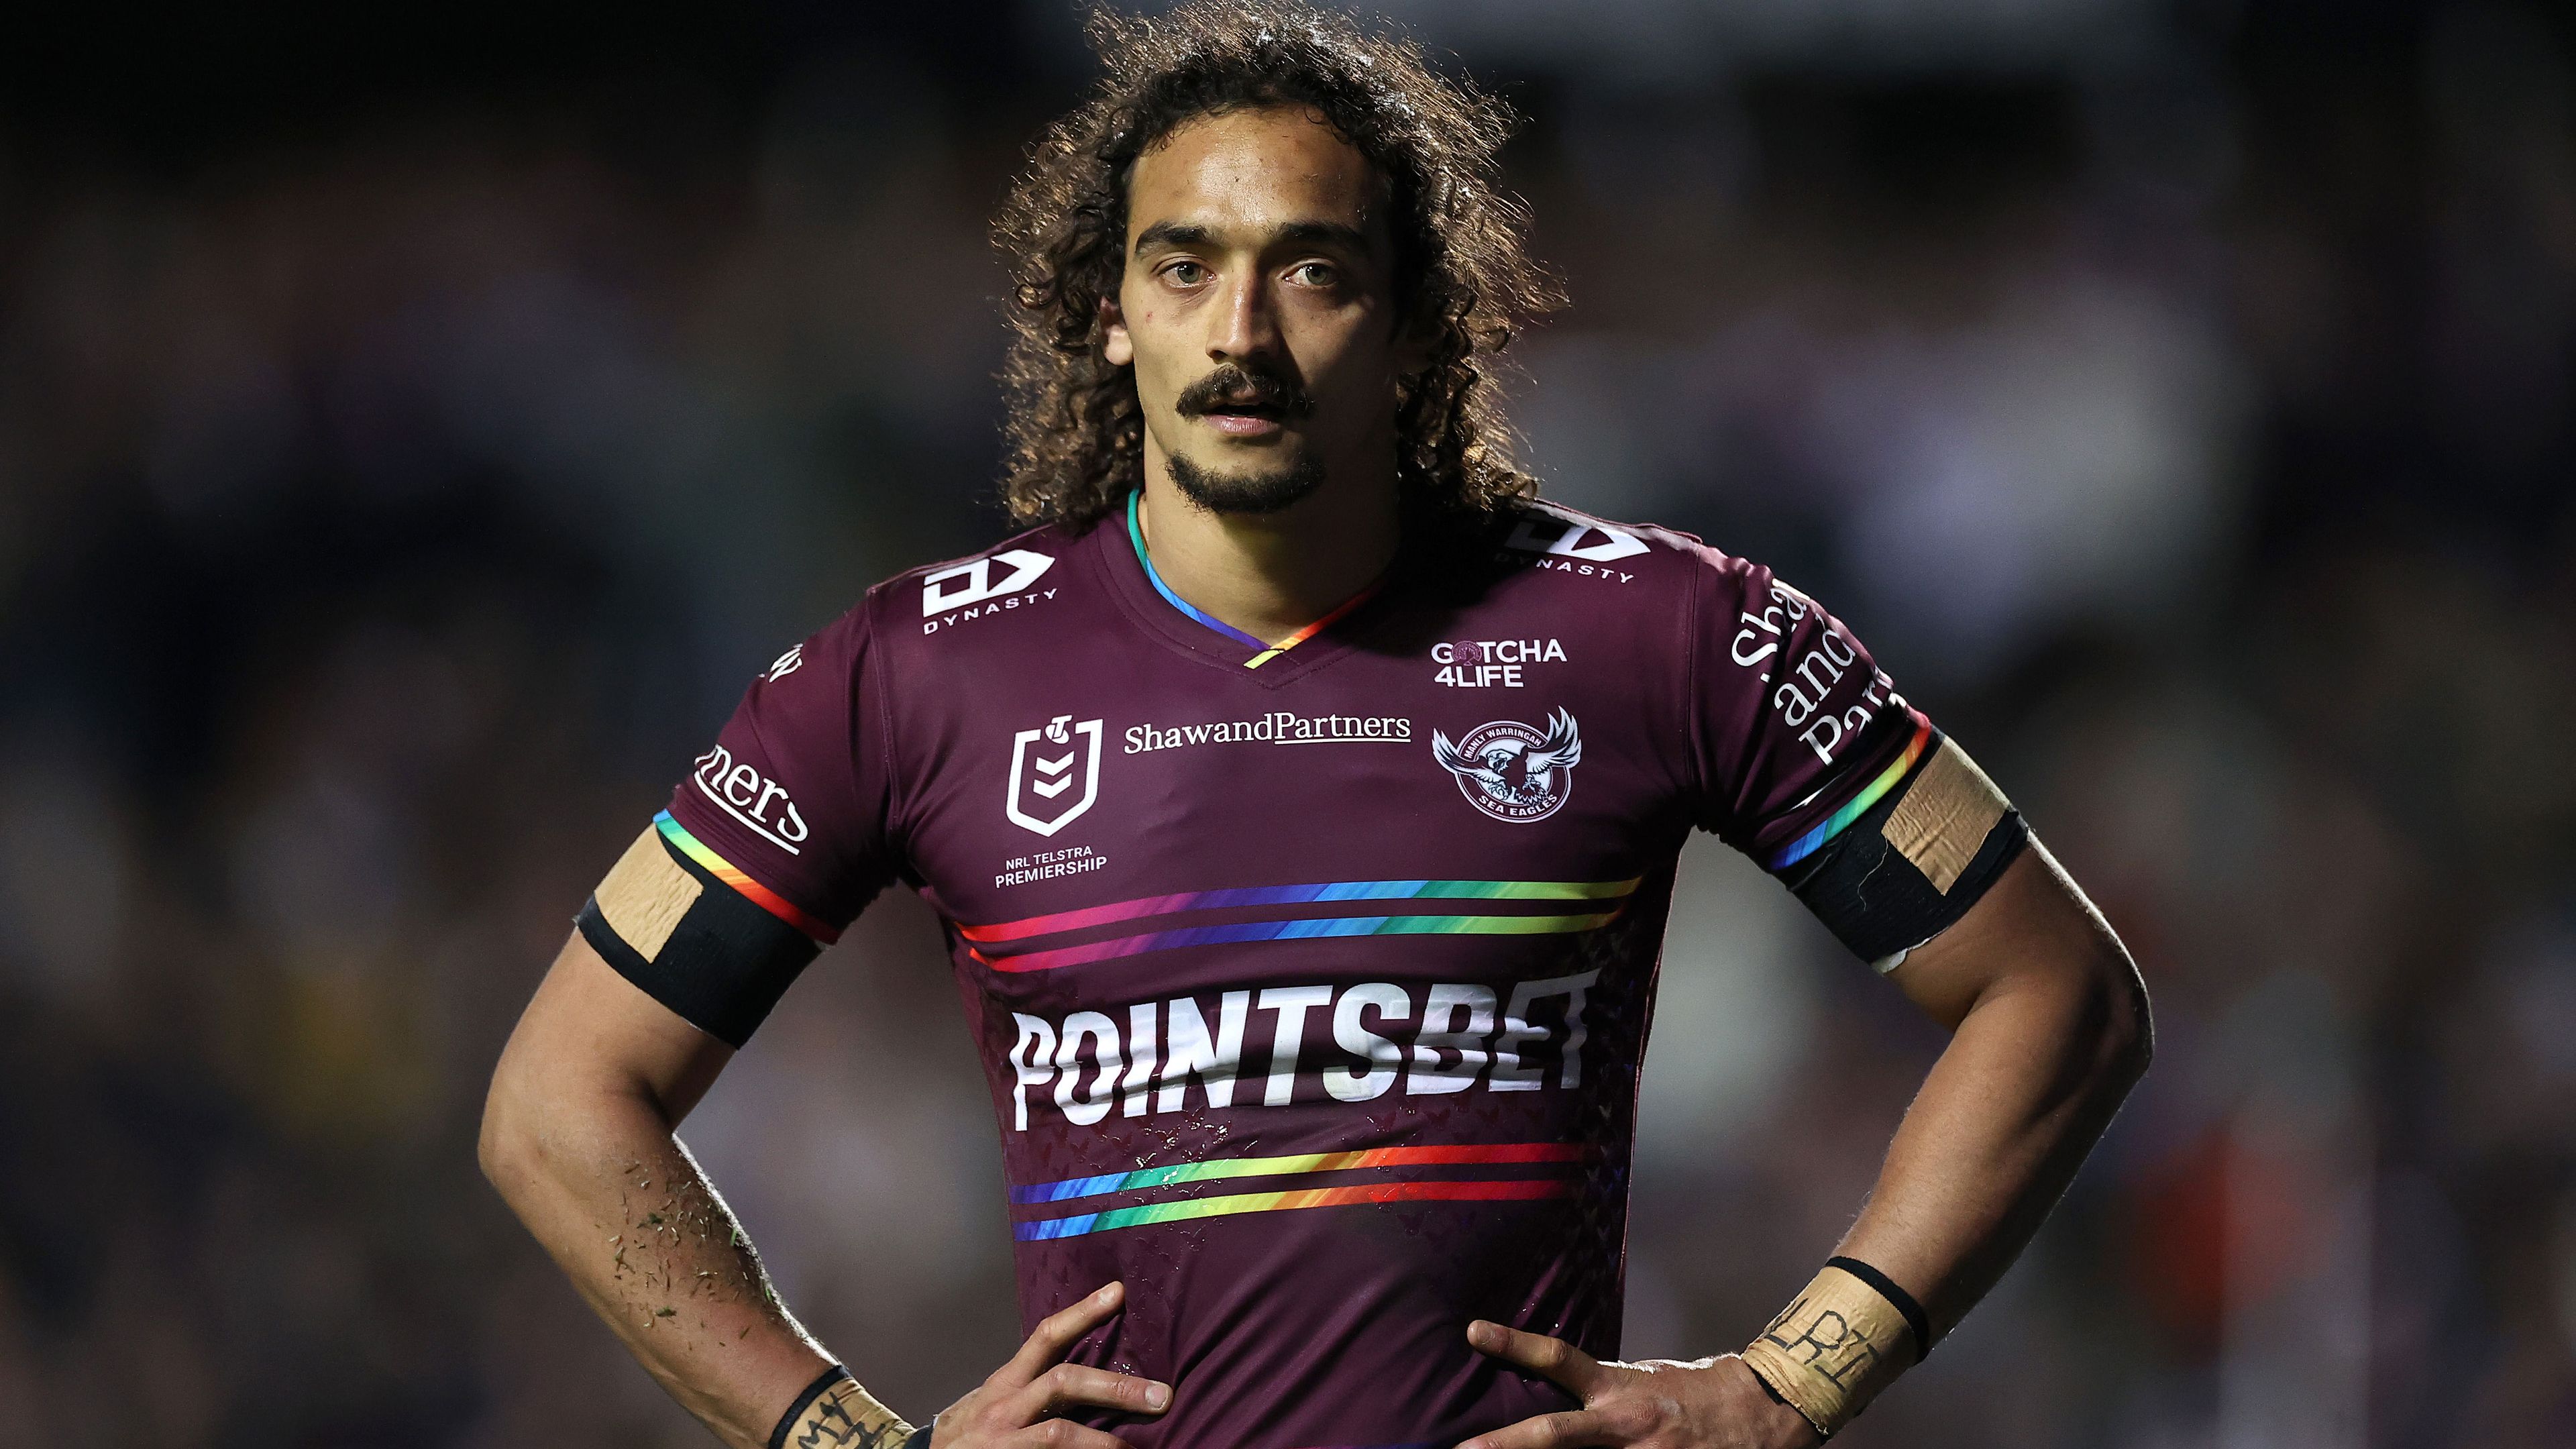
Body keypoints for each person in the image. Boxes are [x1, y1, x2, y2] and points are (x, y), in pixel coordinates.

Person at [478, 5, 2152, 1448]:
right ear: (1111, 315)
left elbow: (2055, 990)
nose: (1243, 333)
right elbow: (561, 1101)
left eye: (1316, 270)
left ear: (1419, 324)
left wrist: (1795, 1382)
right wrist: (839, 1430)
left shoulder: (1663, 631)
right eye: (1185, 266)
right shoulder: (911, 674)